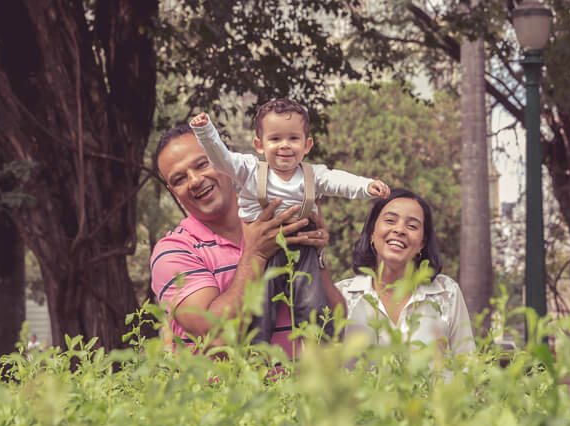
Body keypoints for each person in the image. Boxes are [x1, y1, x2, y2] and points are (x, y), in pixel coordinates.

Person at [189, 99, 388, 343]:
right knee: (259, 310)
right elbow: (222, 160)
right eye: (275, 139)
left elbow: (339, 181)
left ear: (307, 145)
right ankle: (255, 359)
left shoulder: (313, 174)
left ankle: (321, 358)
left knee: (313, 303)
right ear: (259, 145)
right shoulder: (250, 171)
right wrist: (206, 131)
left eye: (293, 139)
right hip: (265, 249)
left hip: (303, 248)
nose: (285, 146)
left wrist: (367, 186)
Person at [150, 122, 343, 359]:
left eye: (202, 164)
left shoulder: (279, 222)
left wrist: (316, 255)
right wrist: (256, 255)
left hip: (297, 393)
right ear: (172, 191)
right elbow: (215, 333)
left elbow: (335, 323)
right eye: (179, 179)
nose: (195, 180)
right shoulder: (174, 252)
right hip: (226, 395)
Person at [335, 189, 475, 355]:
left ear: (422, 242)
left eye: (412, 226)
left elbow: (467, 365)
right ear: (372, 232)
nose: (400, 230)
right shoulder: (341, 296)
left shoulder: (447, 293)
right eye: (390, 220)